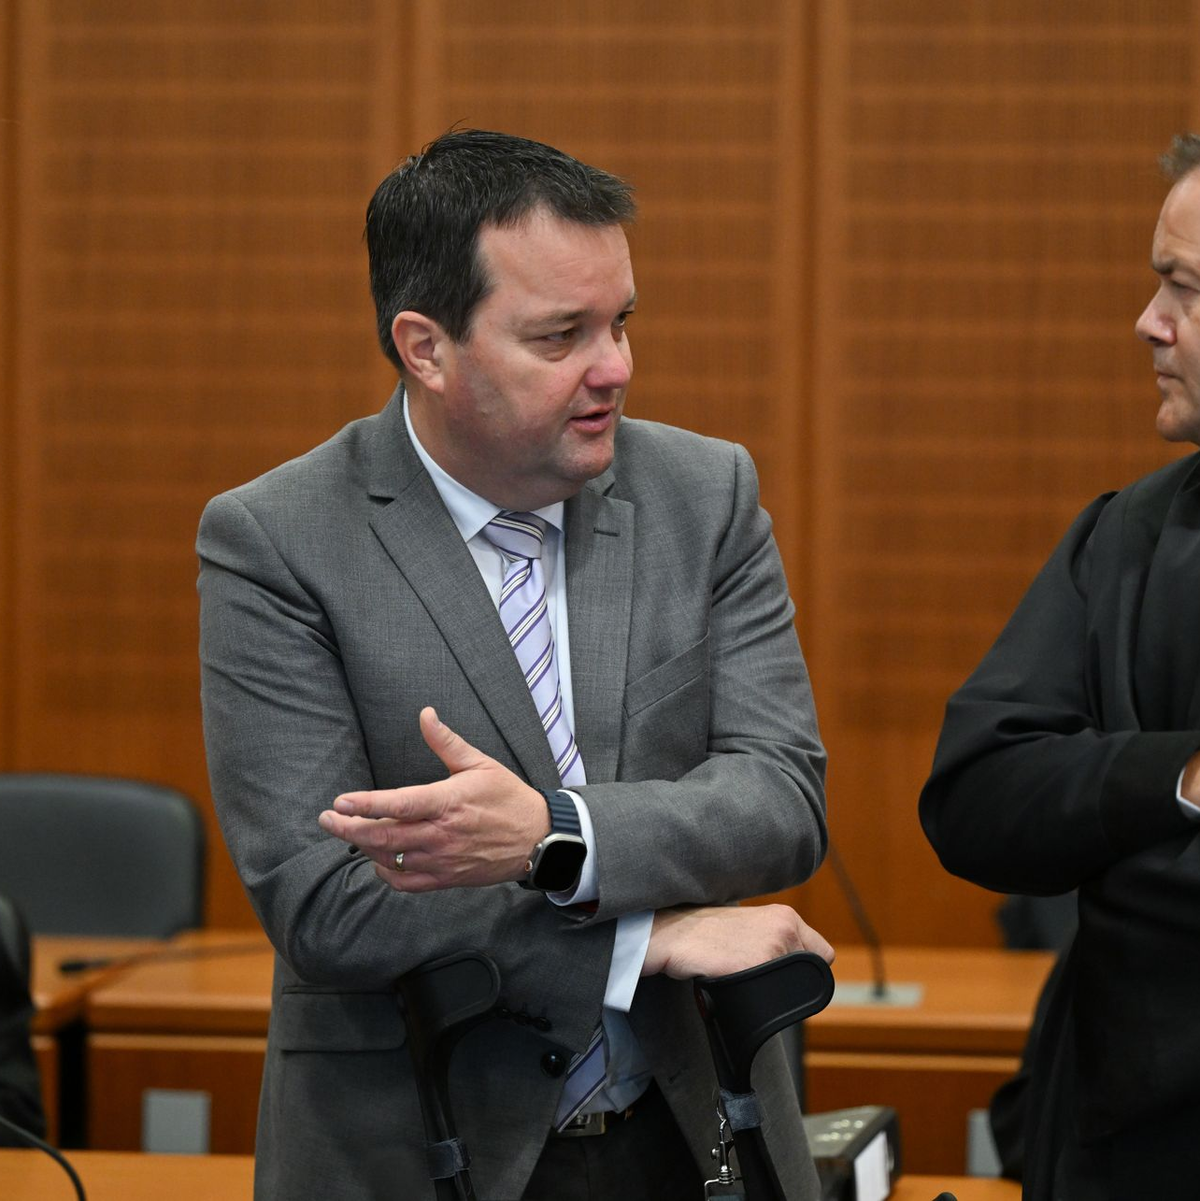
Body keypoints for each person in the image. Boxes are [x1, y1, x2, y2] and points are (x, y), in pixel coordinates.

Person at [198, 128, 831, 1200]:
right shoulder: (278, 541)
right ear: (426, 347)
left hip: (692, 1135)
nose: (616, 367)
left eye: (622, 320)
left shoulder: (704, 494)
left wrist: (558, 836)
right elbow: (327, 902)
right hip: (419, 1144)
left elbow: (781, 796)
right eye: (561, 335)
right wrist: (645, 939)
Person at [920, 132, 1200, 1200]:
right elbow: (976, 794)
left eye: (1182, 287)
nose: (1148, 322)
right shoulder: (1125, 536)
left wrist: (1119, 851)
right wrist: (1177, 780)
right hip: (1120, 1143)